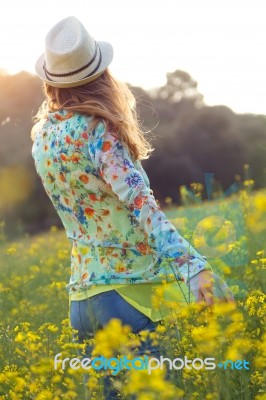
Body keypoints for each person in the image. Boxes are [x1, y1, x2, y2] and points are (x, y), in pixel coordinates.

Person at [32, 16, 235, 399]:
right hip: (127, 298)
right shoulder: (99, 133)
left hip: (81, 300)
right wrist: (195, 268)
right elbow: (144, 209)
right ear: (101, 75)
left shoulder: (42, 140)